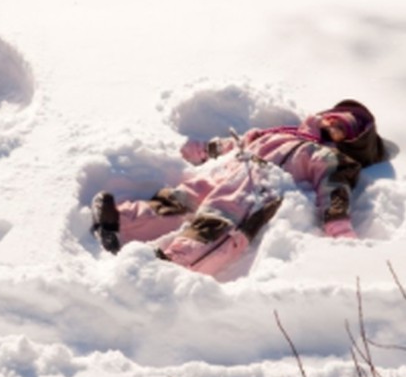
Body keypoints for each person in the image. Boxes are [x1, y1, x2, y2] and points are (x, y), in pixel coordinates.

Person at [91, 100, 387, 277]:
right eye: (332, 117)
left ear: (349, 140)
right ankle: (121, 222)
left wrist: (338, 223)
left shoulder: (326, 156)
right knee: (181, 199)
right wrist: (207, 151)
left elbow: (333, 186)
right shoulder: (279, 134)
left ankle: (175, 264)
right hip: (230, 170)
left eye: (342, 126)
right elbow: (240, 143)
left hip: (259, 186)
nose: (330, 123)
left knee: (219, 223)